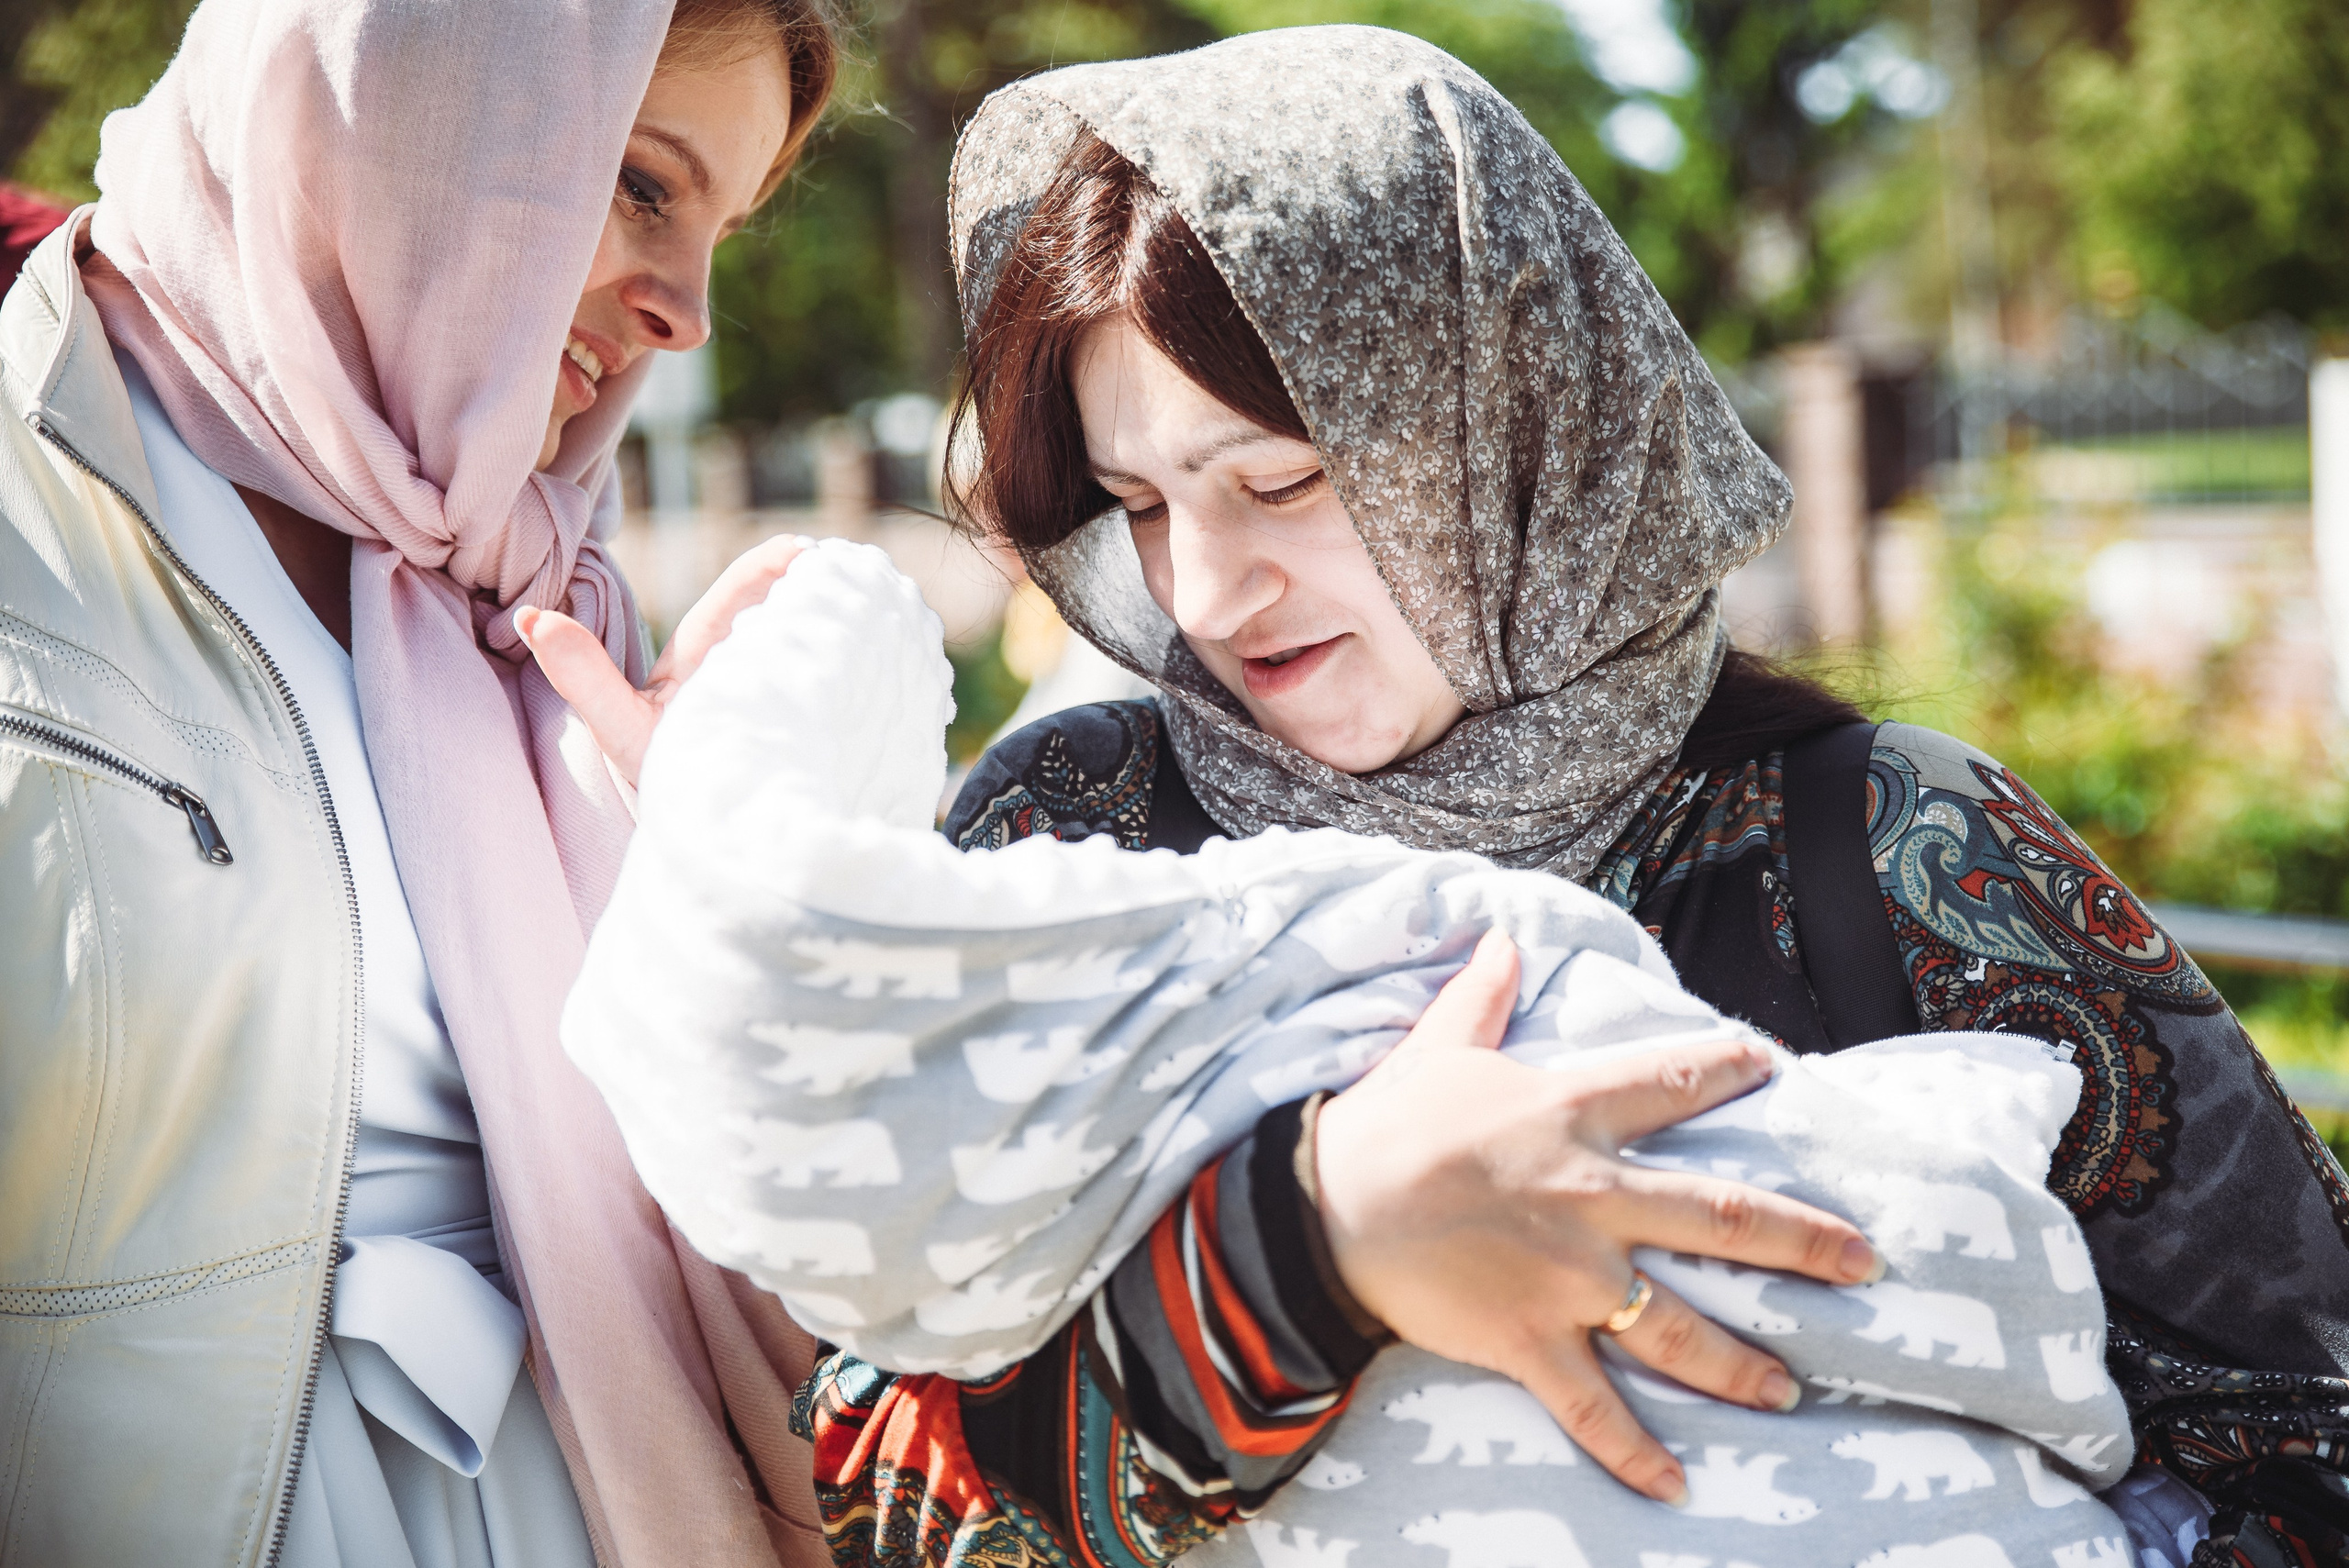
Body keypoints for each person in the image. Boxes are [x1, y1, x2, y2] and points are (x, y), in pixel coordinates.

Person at [767, 27, 2344, 1565]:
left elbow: (2311, 1438)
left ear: (1518, 418)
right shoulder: (1073, 843)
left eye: (1282, 480)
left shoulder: (1896, 850)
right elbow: (870, 1495)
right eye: (1139, 506)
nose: (1212, 591)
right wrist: (1308, 1253)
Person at [0, 1, 838, 1564]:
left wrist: (735, 883)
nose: (690, 314)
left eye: (718, 225)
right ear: (402, 79)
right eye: (644, 184)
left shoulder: (546, 601)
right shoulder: (30, 517)